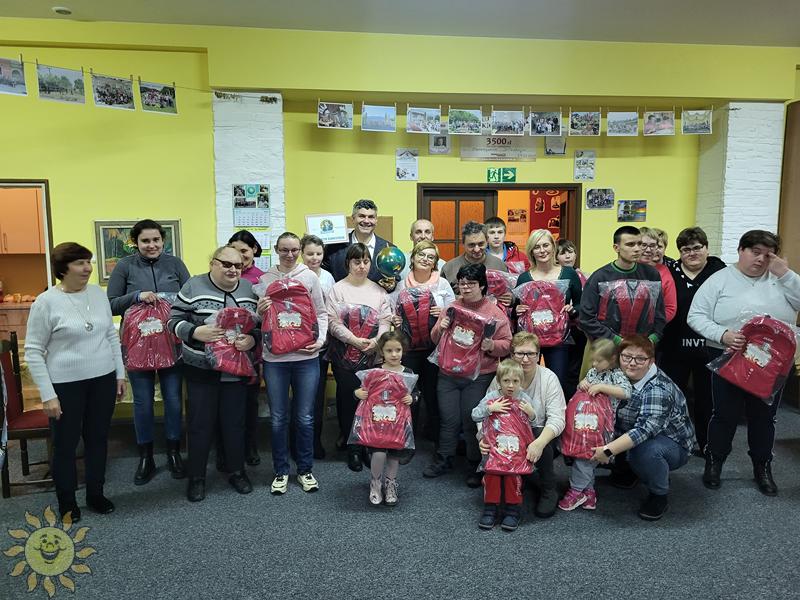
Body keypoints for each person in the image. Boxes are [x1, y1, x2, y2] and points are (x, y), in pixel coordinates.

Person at [687, 230, 800, 496]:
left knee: (764, 417)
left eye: (767, 254)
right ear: (741, 250)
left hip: (771, 362)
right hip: (728, 356)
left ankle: (762, 467)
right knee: (724, 414)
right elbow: (696, 315)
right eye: (755, 252)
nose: (761, 259)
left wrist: (786, 274)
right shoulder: (720, 279)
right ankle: (714, 463)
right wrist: (722, 334)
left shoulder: (781, 278)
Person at [25, 243, 126, 521]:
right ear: (63, 268)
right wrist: (48, 394)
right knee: (66, 445)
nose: (87, 268)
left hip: (103, 380)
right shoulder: (45, 302)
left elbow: (110, 335)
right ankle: (67, 502)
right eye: (80, 263)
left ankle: (96, 494)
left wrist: (119, 374)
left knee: (98, 440)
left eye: (88, 262)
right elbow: (33, 351)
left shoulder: (98, 294)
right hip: (65, 385)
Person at [168, 246, 259, 502]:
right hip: (201, 369)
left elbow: (260, 324)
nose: (233, 270)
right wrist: (194, 332)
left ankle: (237, 472)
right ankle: (197, 477)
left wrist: (252, 339)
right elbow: (172, 321)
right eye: (226, 264)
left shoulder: (249, 289)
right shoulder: (193, 286)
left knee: (235, 424)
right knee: (200, 425)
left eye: (238, 265)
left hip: (237, 371)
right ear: (212, 263)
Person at [107, 219, 191, 484]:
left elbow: (191, 299)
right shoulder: (124, 266)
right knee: (142, 402)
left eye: (156, 240)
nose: (151, 245)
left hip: (171, 343)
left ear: (163, 241)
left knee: (173, 400)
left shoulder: (175, 264)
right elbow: (111, 305)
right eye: (145, 241)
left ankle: (174, 452)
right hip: (138, 345)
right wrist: (137, 296)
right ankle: (146, 456)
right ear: (136, 242)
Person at [423, 263, 512, 487]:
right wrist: (441, 327)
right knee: (449, 420)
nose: (465, 287)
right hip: (448, 374)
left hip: (479, 376)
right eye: (462, 283)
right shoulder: (451, 308)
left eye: (471, 283)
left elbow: (507, 344)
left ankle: (475, 464)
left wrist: (492, 346)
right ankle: (444, 459)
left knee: (472, 420)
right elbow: (434, 339)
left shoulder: (494, 313)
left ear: (482, 286)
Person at [590, 335, 694, 521]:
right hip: (630, 429)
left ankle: (659, 494)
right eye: (626, 357)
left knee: (645, 452)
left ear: (651, 361)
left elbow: (644, 431)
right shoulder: (618, 374)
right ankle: (630, 471)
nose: (632, 363)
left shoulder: (658, 389)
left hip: (671, 443)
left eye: (640, 359)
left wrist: (607, 450)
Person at [257, 232, 328, 495]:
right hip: (275, 359)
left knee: (305, 417)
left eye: (294, 250)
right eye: (284, 250)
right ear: (276, 249)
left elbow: (321, 312)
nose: (289, 255)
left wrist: (320, 340)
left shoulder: (310, 277)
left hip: (306, 357)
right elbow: (260, 320)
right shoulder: (264, 280)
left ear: (299, 250)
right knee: (278, 418)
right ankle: (281, 471)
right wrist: (259, 311)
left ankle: (305, 470)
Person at [326, 243, 393, 471]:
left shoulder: (379, 291)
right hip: (344, 356)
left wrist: (376, 342)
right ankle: (352, 448)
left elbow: (385, 320)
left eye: (365, 261)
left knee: (369, 401)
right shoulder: (338, 289)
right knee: (348, 401)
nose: (362, 266)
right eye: (357, 262)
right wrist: (354, 340)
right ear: (348, 264)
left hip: (372, 355)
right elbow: (333, 322)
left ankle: (366, 445)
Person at [659, 227, 725, 454]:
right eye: (686, 249)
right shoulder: (670, 271)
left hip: (710, 347)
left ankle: (707, 444)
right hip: (674, 346)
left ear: (706, 248)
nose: (692, 253)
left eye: (697, 248)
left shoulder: (720, 272)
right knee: (673, 396)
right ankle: (674, 442)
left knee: (707, 400)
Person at [391, 240, 455, 442]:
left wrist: (442, 311)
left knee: (432, 394)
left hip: (434, 348)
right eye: (421, 255)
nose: (426, 259)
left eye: (431, 257)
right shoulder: (401, 284)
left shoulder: (442, 284)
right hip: (408, 349)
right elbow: (392, 311)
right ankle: (407, 438)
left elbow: (454, 312)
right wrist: (395, 319)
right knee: (408, 393)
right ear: (413, 257)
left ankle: (435, 439)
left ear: (435, 262)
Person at [558, 339, 632, 512]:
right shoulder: (593, 372)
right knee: (585, 457)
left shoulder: (617, 375)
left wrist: (602, 387)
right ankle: (589, 492)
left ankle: (576, 490)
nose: (594, 364)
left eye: (599, 361)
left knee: (585, 459)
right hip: (584, 422)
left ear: (612, 359)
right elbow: (582, 387)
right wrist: (582, 384)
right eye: (593, 360)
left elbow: (626, 392)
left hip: (602, 428)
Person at [354, 331, 418, 507]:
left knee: (394, 455)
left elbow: (416, 392)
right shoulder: (375, 372)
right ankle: (375, 482)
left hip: (398, 423)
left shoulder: (408, 373)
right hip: (376, 423)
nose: (394, 354)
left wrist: (413, 398)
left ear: (403, 350)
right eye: (389, 350)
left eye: (398, 350)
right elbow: (361, 390)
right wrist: (357, 393)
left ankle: (390, 484)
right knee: (379, 453)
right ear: (381, 351)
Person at [472, 359, 536, 531]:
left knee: (512, 477)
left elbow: (534, 423)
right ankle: (490, 508)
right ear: (499, 381)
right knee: (492, 476)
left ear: (521, 382)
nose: (511, 385)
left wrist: (531, 413)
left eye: (515, 381)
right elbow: (475, 415)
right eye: (506, 381)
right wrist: (490, 408)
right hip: (495, 448)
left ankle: (512, 510)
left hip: (515, 450)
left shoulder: (524, 399)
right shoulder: (492, 397)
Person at [515, 229, 582, 387]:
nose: (542, 250)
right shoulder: (524, 278)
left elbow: (581, 304)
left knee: (558, 383)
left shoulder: (569, 274)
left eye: (545, 245)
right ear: (531, 251)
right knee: (527, 382)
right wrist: (516, 310)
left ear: (553, 247)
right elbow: (516, 309)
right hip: (530, 340)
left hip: (559, 339)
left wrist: (572, 310)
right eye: (537, 247)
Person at [579, 226, 666, 345]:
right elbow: (586, 318)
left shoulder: (651, 274)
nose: (637, 249)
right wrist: (615, 340)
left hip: (642, 346)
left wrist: (653, 338)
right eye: (630, 244)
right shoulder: (600, 277)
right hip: (606, 346)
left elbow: (659, 313)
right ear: (616, 248)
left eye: (639, 244)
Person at [226, 230, 266, 466]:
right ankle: (227, 448)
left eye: (244, 250)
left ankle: (250, 445)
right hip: (226, 349)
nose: (240, 256)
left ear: (254, 250)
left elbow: (266, 320)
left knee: (250, 402)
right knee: (228, 403)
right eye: (234, 250)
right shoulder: (224, 275)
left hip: (252, 349)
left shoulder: (261, 279)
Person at [301, 234, 335, 458]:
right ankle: (298, 442)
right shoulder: (296, 275)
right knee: (300, 400)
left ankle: (315, 441)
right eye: (310, 253)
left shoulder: (328, 277)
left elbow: (329, 310)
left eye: (318, 253)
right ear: (302, 254)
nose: (314, 258)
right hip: (297, 345)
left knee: (317, 397)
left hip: (321, 345)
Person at [323, 199, 395, 287]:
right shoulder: (334, 248)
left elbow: (395, 279)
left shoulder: (390, 250)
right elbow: (323, 277)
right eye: (361, 216)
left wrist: (391, 285)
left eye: (371, 217)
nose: (366, 221)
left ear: (376, 220)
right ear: (353, 219)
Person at [556, 238, 588, 399]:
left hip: (578, 328)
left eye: (571, 252)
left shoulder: (583, 275)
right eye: (563, 253)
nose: (568, 256)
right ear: (555, 257)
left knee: (575, 369)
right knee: (561, 368)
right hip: (559, 329)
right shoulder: (555, 276)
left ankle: (572, 400)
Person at [440, 221, 508, 292]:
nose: (477, 249)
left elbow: (507, 291)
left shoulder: (499, 265)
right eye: (471, 245)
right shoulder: (449, 268)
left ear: (487, 241)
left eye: (481, 244)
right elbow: (441, 295)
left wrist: (509, 297)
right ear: (463, 244)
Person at [638, 227, 677, 323]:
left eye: (652, 246)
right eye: (643, 245)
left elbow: (670, 308)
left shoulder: (665, 272)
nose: (648, 250)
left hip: (653, 328)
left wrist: (652, 324)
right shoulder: (625, 268)